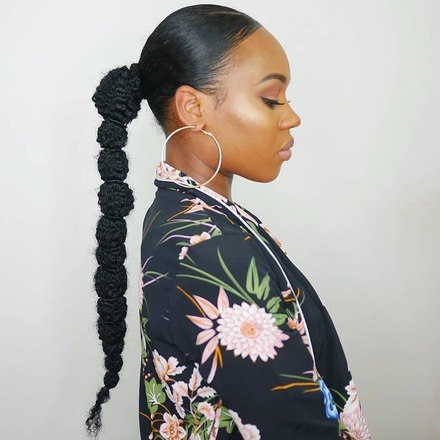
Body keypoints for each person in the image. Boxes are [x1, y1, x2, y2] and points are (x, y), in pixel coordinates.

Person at [87, 4, 371, 440]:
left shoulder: (183, 212)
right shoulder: (208, 250)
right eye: (271, 98)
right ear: (192, 107)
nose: (291, 116)